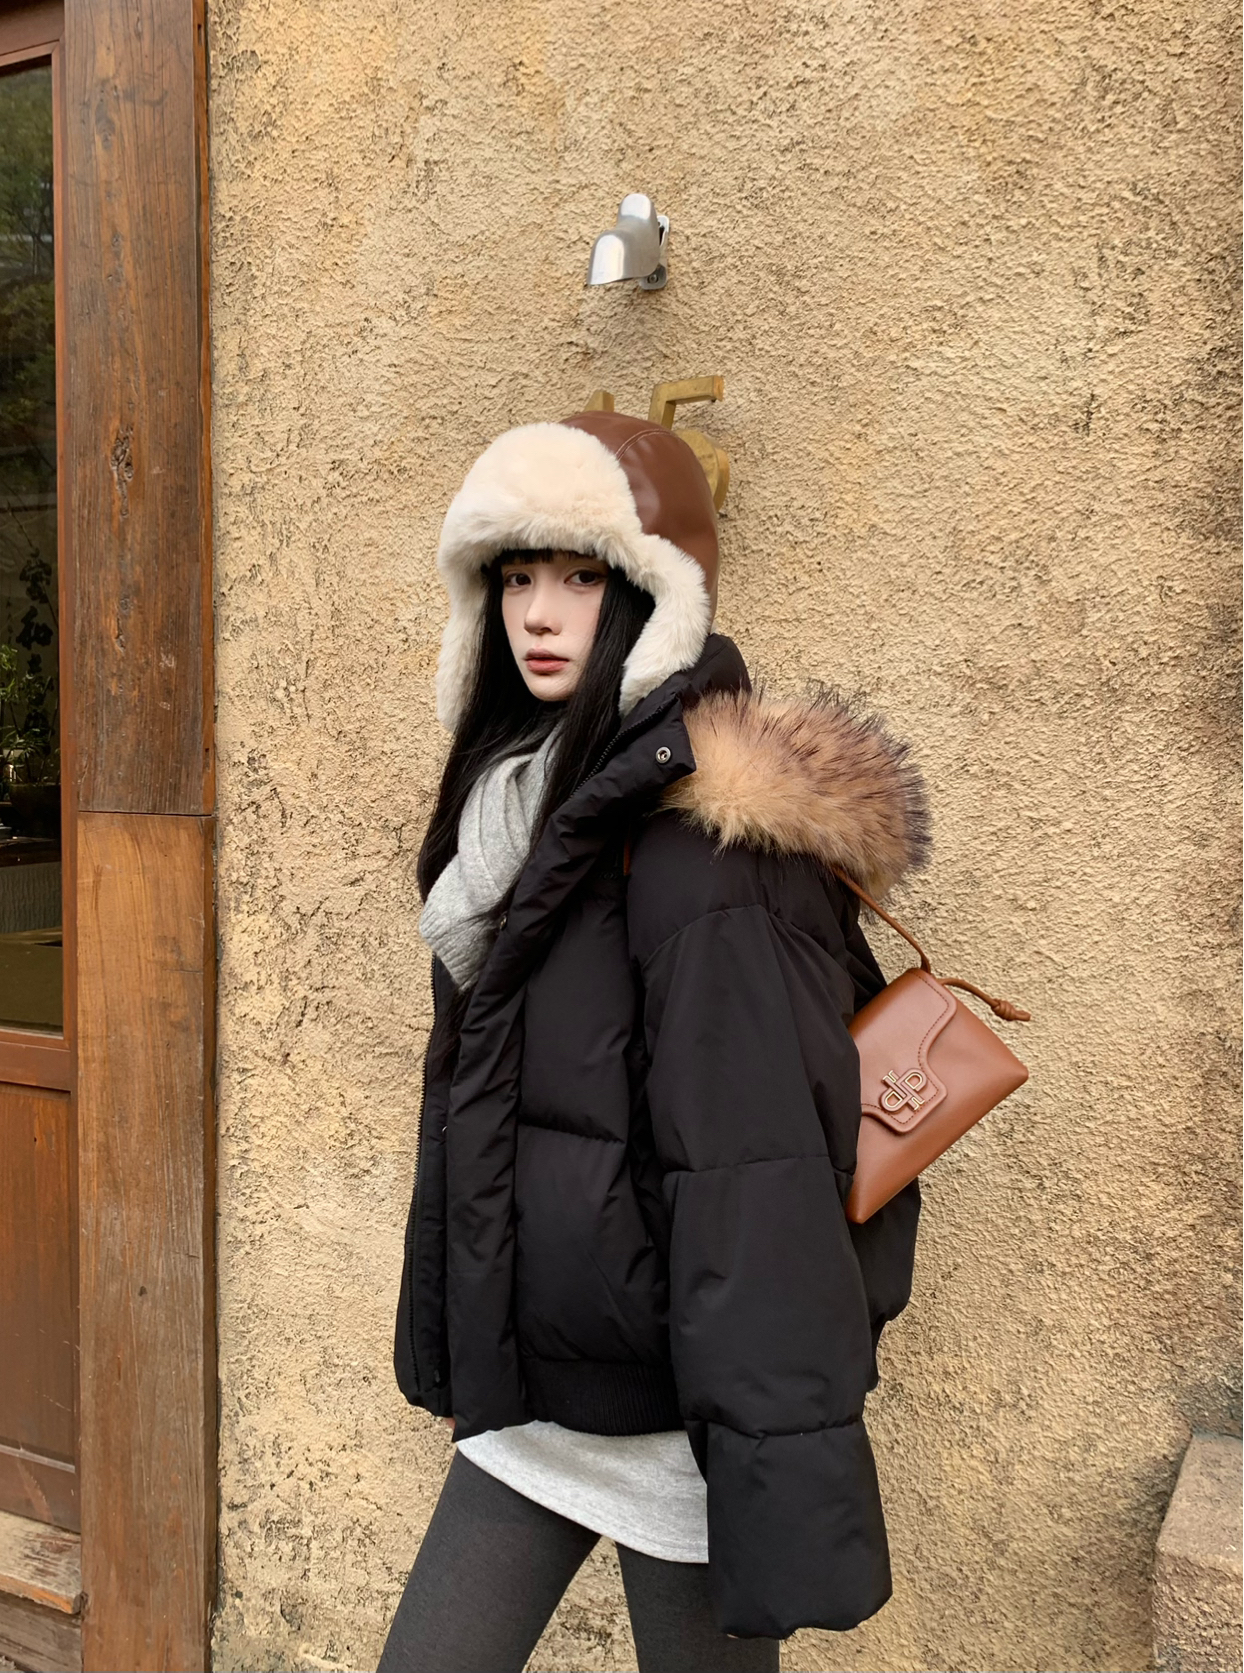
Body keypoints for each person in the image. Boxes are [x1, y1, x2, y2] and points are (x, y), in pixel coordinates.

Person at [380, 411, 928, 1673]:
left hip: (676, 1422)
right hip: (537, 1399)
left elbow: (757, 1177)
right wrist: (474, 1339)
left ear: (651, 599)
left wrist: (760, 1459)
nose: (539, 612)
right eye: (516, 577)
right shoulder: (525, 803)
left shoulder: (701, 843)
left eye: (581, 576)